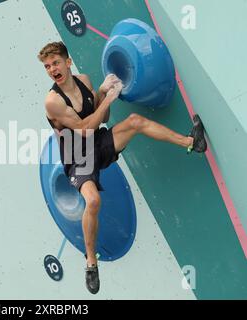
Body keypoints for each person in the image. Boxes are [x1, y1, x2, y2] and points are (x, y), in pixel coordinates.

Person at [38, 41, 206, 294]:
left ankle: (193, 142)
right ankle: (91, 263)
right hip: (78, 160)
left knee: (135, 121)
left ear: (68, 62)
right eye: (47, 66)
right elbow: (84, 129)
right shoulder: (53, 101)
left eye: (56, 63)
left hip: (100, 143)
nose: (52, 69)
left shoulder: (83, 80)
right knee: (93, 201)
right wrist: (108, 98)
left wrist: (102, 93)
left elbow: (101, 119)